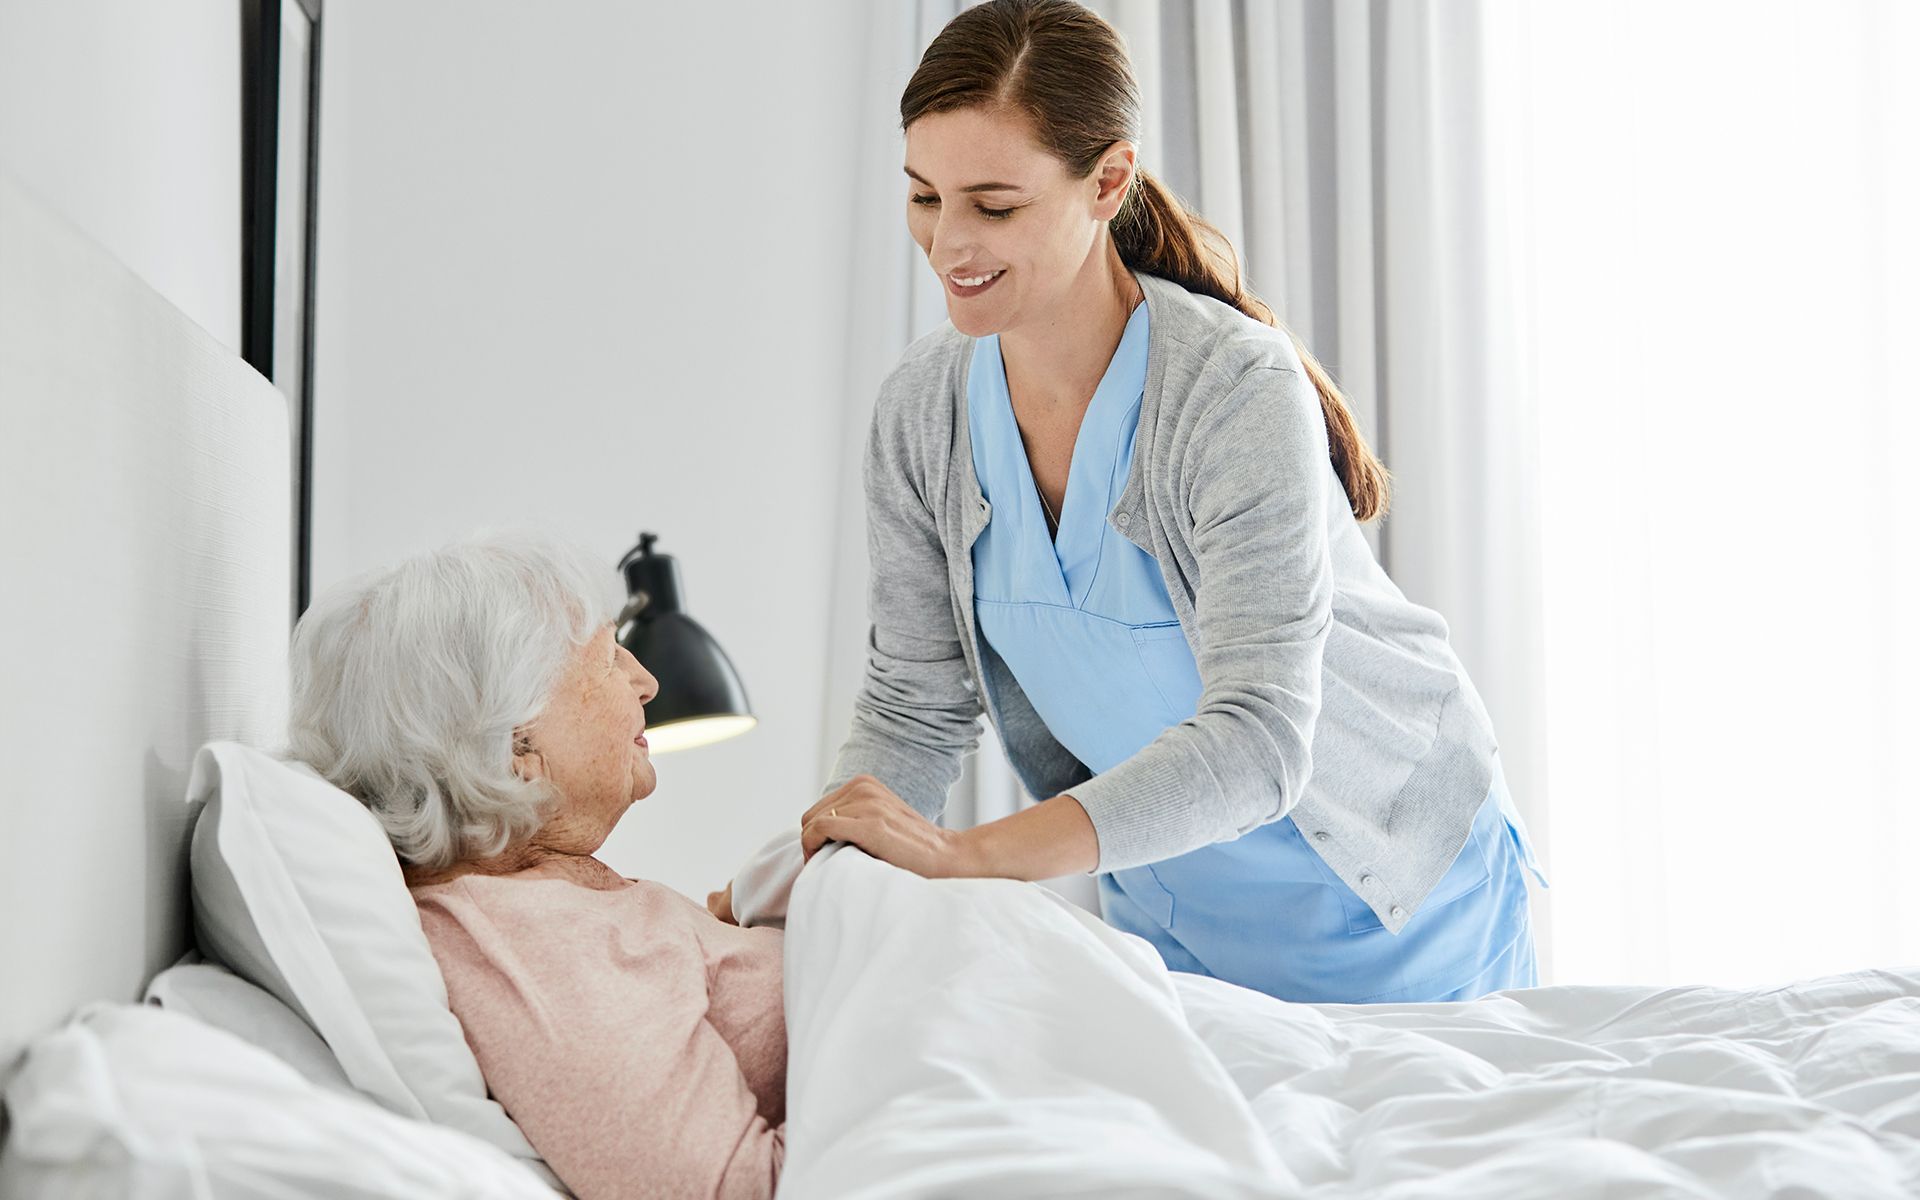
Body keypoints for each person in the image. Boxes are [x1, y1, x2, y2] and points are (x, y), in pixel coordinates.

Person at [715, 0, 1547, 1005]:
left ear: (1107, 181)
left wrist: (963, 857)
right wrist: (831, 882)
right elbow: (914, 709)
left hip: (1396, 894)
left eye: (994, 203)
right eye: (924, 196)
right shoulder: (920, 415)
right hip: (1179, 911)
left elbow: (1257, 741)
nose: (947, 244)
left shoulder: (1231, 392)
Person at [288, 531, 784, 1200]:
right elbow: (736, 1189)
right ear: (517, 738)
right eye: (609, 656)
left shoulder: (543, 899)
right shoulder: (529, 950)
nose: (647, 681)